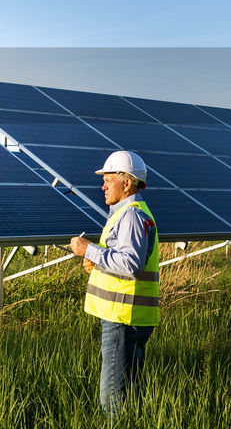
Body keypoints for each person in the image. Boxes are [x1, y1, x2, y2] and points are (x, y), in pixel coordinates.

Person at [68, 150, 159, 415]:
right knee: (128, 392)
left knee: (113, 398)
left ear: (127, 182)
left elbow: (130, 265)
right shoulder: (129, 213)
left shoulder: (130, 215)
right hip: (129, 316)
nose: (103, 185)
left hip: (122, 318)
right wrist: (97, 265)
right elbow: (122, 261)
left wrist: (89, 250)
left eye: (109, 179)